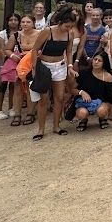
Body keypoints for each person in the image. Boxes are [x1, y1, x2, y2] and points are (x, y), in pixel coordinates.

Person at [29, 10, 77, 140]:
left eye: (72, 26)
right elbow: (35, 49)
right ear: (61, 22)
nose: (69, 28)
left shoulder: (70, 33)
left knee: (59, 97)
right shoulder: (48, 31)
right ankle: (41, 129)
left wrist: (70, 66)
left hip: (60, 66)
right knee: (44, 99)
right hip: (44, 65)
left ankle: (56, 126)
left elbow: (69, 52)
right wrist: (34, 67)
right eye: (67, 26)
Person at [7, 15, 40, 126]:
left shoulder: (40, 34)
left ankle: (30, 113)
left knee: (31, 89)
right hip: (20, 63)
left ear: (33, 23)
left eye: (28, 22)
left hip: (34, 63)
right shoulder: (16, 35)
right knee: (18, 89)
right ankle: (17, 114)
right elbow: (7, 49)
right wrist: (12, 56)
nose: (25, 24)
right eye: (23, 22)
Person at [74, 53, 112, 131]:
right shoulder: (83, 73)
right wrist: (81, 92)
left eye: (99, 60)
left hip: (101, 102)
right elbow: (72, 89)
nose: (96, 62)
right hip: (84, 103)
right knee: (82, 113)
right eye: (95, 59)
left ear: (104, 63)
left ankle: (102, 119)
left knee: (102, 111)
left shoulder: (108, 76)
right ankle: (83, 120)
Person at [0, 12, 20, 120]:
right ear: (7, 22)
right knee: (3, 86)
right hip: (5, 62)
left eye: (15, 20)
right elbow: (2, 50)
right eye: (11, 20)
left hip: (16, 62)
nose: (13, 22)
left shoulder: (21, 33)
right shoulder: (2, 34)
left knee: (14, 85)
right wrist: (0, 67)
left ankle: (11, 107)